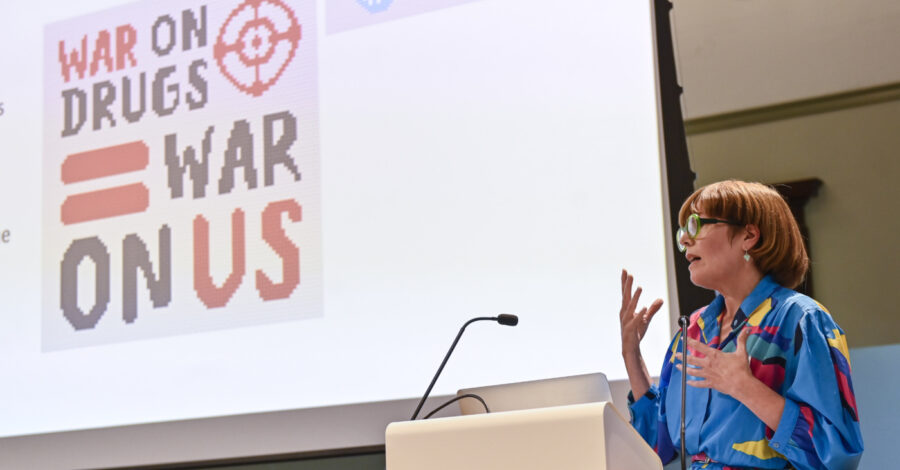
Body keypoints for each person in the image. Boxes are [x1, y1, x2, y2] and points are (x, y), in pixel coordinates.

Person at [619, 180, 863, 470]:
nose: (684, 239)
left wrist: (745, 387)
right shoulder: (693, 330)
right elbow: (656, 450)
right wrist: (631, 356)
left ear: (748, 236)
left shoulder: (801, 320)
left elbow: (836, 455)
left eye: (696, 224)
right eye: (683, 230)